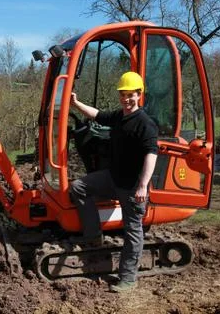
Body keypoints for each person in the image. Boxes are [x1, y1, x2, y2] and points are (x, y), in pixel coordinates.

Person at [69, 71, 158, 293]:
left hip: (131, 186)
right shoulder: (120, 117)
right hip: (112, 178)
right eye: (122, 95)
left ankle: (127, 278)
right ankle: (94, 235)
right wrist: (76, 103)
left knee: (133, 230)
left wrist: (142, 186)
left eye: (130, 95)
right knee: (78, 186)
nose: (126, 100)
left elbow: (151, 155)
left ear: (139, 95)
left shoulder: (145, 124)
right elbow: (97, 115)